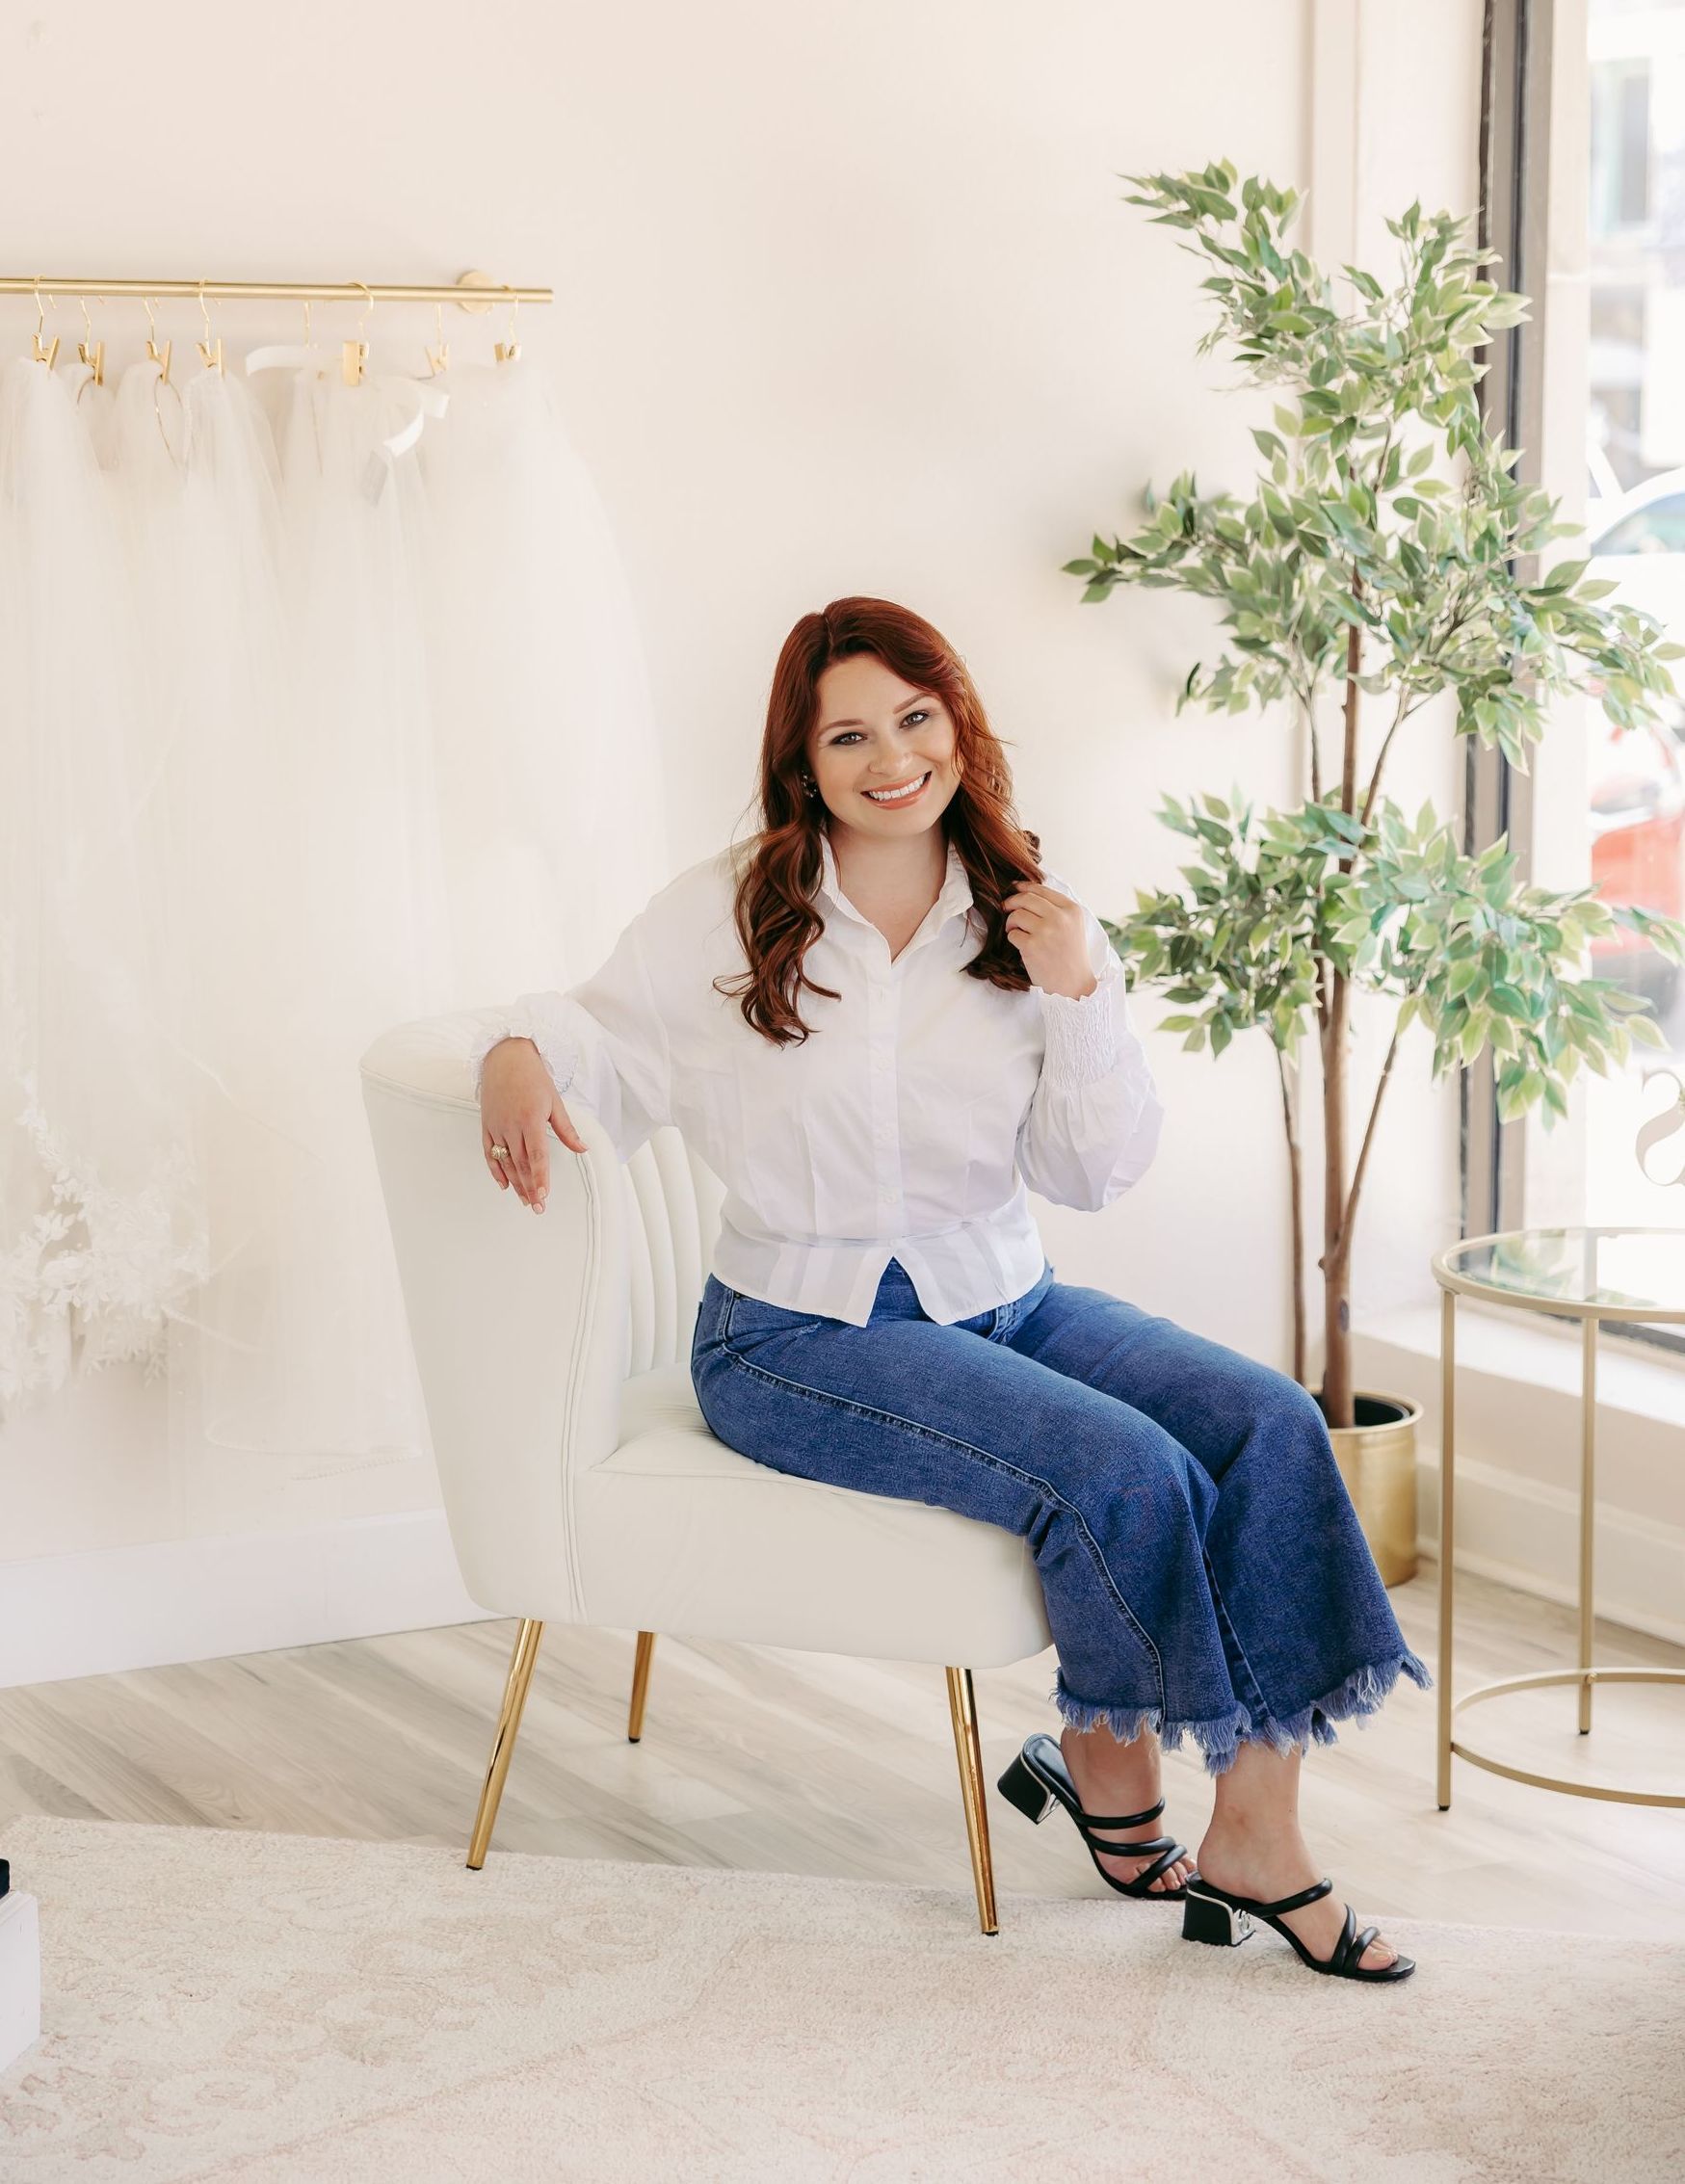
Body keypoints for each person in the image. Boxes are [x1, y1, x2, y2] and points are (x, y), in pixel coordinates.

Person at [473, 595, 1431, 1985]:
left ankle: (1249, 1825)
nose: (889, 757)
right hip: (798, 1333)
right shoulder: (728, 908)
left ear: (958, 729)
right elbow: (596, 1034)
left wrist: (1080, 992)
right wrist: (519, 1045)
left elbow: (1093, 1173)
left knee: (1270, 1420)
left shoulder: (1022, 916)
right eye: (847, 733)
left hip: (1009, 1296)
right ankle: (1123, 1781)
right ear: (802, 762)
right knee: (1125, 1471)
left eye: (914, 720)